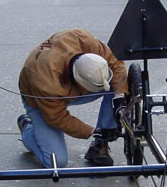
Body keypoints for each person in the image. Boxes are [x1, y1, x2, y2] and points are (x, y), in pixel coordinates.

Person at [17, 29, 128, 168]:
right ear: (79, 83)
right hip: (40, 100)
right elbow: (57, 117)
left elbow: (115, 63)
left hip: (65, 83)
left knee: (119, 85)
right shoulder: (45, 81)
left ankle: (100, 146)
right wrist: (93, 131)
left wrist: (119, 98)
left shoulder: (83, 40)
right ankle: (28, 128)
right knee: (56, 162)